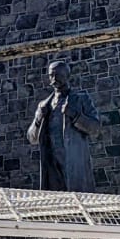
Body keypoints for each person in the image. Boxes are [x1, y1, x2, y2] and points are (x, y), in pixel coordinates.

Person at [26, 60, 104, 193]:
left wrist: (76, 116)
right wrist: (38, 119)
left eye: (58, 75)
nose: (54, 79)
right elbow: (32, 138)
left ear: (67, 76)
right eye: (51, 75)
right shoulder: (44, 105)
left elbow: (95, 128)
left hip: (73, 163)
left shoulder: (81, 99)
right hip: (51, 163)